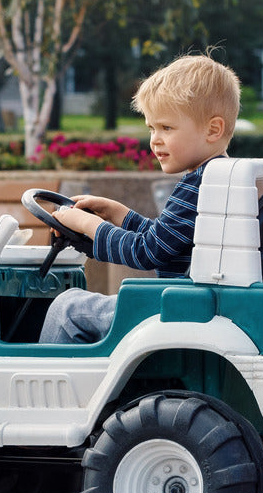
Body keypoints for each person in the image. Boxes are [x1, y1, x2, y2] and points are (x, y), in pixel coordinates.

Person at [38, 53, 241, 343]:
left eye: (167, 128)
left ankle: (50, 384)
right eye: (152, 128)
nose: (155, 139)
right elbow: (166, 240)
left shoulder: (199, 185)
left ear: (213, 129)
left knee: (66, 307)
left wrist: (86, 224)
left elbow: (146, 253)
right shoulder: (218, 178)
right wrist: (120, 214)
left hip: (175, 310)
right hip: (193, 304)